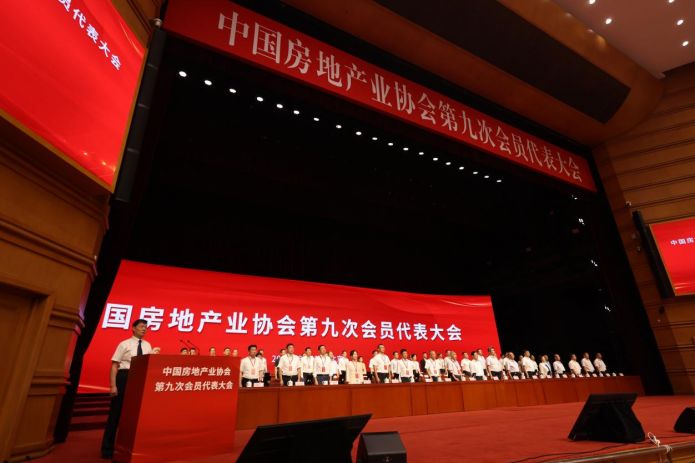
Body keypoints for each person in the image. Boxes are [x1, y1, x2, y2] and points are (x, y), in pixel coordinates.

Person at [101, 319, 152, 459]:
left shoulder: (148, 345)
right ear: (133, 328)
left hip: (140, 378)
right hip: (124, 377)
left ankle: (128, 447)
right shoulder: (124, 344)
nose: (144, 329)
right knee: (116, 413)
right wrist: (113, 385)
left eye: (146, 327)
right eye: (141, 326)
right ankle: (107, 448)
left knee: (135, 415)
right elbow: (114, 365)